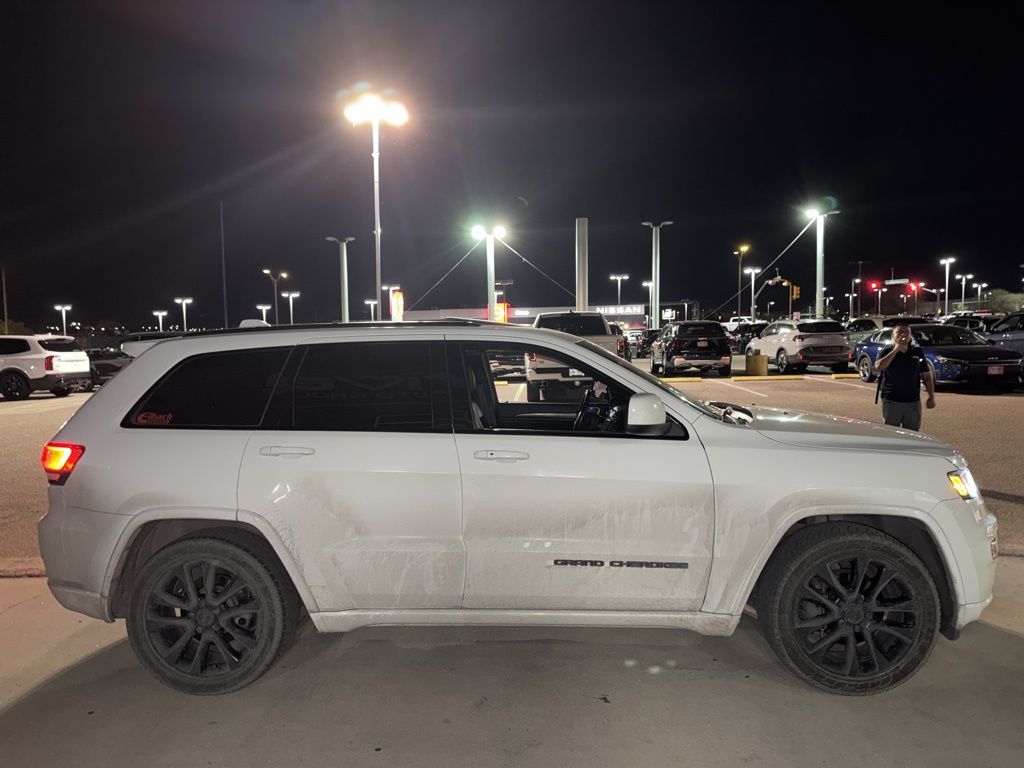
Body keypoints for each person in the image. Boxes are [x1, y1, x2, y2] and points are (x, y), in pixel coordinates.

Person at [874, 324, 935, 430]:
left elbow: (926, 376)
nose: (903, 334)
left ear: (910, 336)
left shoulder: (917, 352)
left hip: (913, 401)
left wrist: (931, 396)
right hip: (892, 400)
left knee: (912, 434)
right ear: (893, 336)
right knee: (892, 434)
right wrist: (896, 350)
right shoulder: (886, 351)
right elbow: (879, 367)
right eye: (899, 332)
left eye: (906, 332)